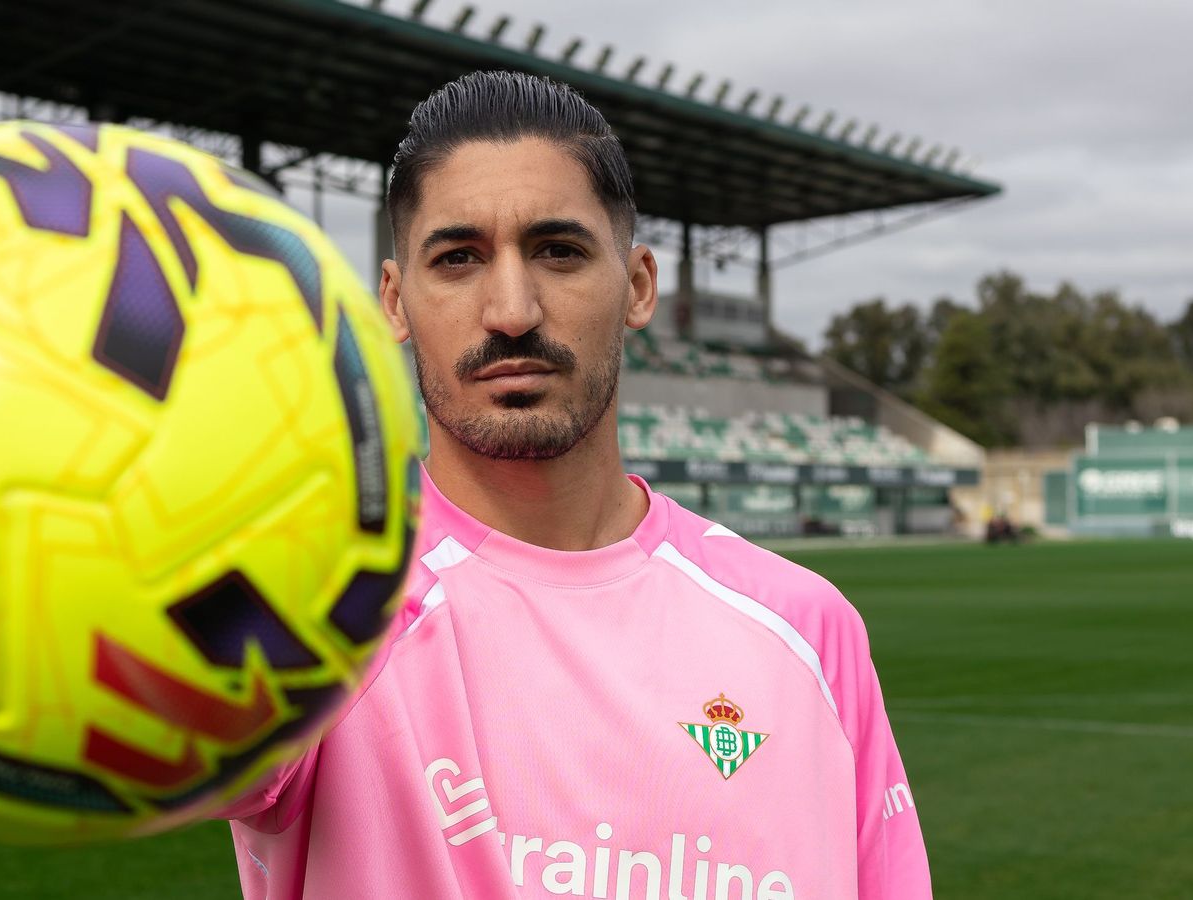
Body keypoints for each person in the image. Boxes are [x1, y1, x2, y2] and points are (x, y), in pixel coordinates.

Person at [221, 70, 930, 900]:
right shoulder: (317, 611)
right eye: (457, 259)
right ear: (396, 301)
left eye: (558, 251)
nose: (512, 310)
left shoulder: (808, 628)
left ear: (637, 286)